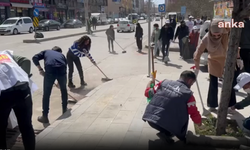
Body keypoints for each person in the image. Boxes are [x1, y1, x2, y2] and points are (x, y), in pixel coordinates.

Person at [193, 19, 243, 112]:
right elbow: (198, 53)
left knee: (230, 84)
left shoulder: (226, 34)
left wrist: (238, 58)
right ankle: (212, 104)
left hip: (228, 61)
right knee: (213, 84)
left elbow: (234, 46)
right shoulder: (206, 38)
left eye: (218, 34)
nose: (216, 36)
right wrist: (197, 67)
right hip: (214, 62)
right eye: (214, 34)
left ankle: (231, 104)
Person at [142, 70, 201, 143]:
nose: (191, 86)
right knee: (184, 113)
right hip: (167, 124)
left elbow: (148, 93)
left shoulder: (163, 82)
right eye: (192, 83)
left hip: (150, 119)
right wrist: (199, 122)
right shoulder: (188, 95)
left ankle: (166, 134)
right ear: (189, 81)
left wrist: (149, 84)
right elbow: (193, 112)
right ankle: (168, 133)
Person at [0, 50, 35, 150]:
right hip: (23, 90)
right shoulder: (5, 54)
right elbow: (26, 60)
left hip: (4, 95)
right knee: (26, 126)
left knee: (1, 127)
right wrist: (24, 76)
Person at [32, 46, 68, 123]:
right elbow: (65, 66)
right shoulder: (62, 55)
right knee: (64, 90)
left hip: (50, 69)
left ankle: (45, 116)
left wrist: (40, 69)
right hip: (61, 69)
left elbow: (34, 58)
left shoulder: (46, 52)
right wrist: (60, 82)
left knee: (47, 94)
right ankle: (65, 110)